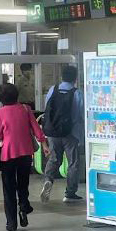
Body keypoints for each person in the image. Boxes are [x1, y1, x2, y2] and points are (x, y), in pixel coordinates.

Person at [0, 81, 44, 231]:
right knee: (23, 183)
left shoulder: (0, 113)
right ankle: (24, 205)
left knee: (9, 189)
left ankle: (11, 223)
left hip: (8, 155)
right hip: (26, 153)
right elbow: (36, 130)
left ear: (1, 99)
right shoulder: (26, 109)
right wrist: (44, 144)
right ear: (16, 95)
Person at [40, 64, 85, 203]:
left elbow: (47, 109)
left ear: (62, 77)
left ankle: (48, 180)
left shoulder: (53, 89)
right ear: (75, 78)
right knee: (73, 163)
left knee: (54, 159)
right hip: (71, 133)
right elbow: (80, 115)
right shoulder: (77, 93)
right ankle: (70, 193)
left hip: (53, 133)